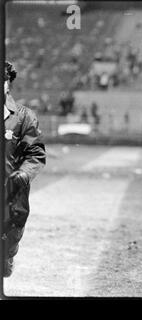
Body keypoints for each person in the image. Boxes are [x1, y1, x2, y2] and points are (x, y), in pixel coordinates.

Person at [3, 61, 46, 277]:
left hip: (12, 191)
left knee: (9, 238)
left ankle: (8, 252)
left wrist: (25, 173)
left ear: (7, 84)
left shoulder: (24, 116)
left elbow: (36, 153)